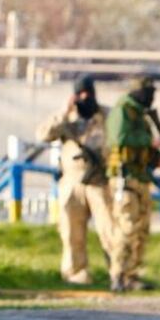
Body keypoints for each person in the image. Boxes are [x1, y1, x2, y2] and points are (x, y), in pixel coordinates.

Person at [36, 76, 116, 285]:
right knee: (71, 231)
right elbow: (43, 135)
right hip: (72, 182)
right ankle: (75, 273)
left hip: (99, 180)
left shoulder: (107, 115)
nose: (85, 97)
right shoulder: (66, 117)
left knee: (110, 230)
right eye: (80, 94)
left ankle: (119, 273)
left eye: (88, 93)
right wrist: (64, 112)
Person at [106, 76, 160, 292]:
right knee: (126, 227)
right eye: (149, 92)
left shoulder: (141, 115)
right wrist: (148, 141)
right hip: (124, 178)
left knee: (142, 229)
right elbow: (119, 138)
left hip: (140, 177)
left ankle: (132, 275)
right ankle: (118, 274)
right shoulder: (122, 111)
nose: (151, 97)